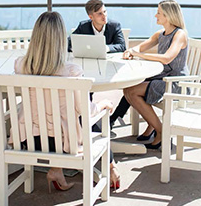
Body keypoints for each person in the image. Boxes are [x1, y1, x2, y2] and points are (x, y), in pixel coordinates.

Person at [13, 11, 121, 191]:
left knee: (55, 115)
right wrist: (103, 105)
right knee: (92, 120)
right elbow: (84, 110)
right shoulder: (71, 70)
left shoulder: (20, 65)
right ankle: (112, 168)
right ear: (61, 38)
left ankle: (56, 170)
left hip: (31, 139)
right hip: (63, 143)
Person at [112, 0, 189, 149]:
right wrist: (131, 51)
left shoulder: (179, 35)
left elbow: (167, 58)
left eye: (159, 13)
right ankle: (153, 126)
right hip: (162, 79)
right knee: (129, 89)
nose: (155, 15)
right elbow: (141, 46)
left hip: (176, 83)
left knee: (133, 92)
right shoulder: (160, 34)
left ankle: (161, 131)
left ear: (168, 16)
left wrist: (140, 55)